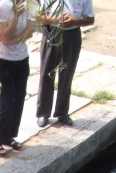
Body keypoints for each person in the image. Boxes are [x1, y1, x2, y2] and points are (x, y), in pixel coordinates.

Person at [34, 0, 95, 128]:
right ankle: (43, 113)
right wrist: (56, 19)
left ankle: (62, 112)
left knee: (67, 74)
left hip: (72, 34)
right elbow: (38, 16)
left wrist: (75, 21)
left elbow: (90, 19)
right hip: (52, 32)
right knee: (47, 73)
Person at [0, 0, 34, 155]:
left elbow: (30, 30)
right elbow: (6, 36)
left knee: (19, 99)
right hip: (5, 61)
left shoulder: (26, 5)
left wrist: (17, 39)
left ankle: (8, 136)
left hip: (22, 58)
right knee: (6, 102)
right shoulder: (2, 7)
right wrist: (15, 16)